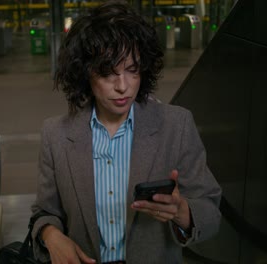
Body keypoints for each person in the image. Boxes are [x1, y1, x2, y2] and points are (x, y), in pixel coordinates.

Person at [30, 1, 222, 263]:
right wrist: (50, 235)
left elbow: (211, 213)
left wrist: (182, 211)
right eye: (109, 73)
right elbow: (44, 211)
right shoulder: (56, 135)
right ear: (85, 73)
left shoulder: (176, 126)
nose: (123, 87)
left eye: (132, 71)